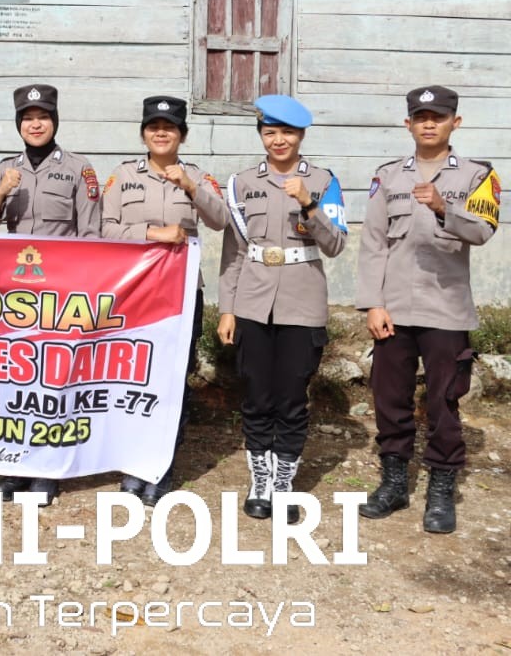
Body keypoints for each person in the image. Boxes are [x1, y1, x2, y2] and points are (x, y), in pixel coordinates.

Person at [355, 86, 500, 534]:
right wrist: (373, 303)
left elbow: (484, 230)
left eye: (438, 116)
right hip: (394, 310)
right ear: (409, 124)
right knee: (389, 399)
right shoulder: (388, 176)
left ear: (456, 122)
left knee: (444, 401)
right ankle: (394, 483)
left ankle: (441, 489)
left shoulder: (478, 176)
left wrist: (443, 208)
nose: (429, 124)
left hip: (446, 309)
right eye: (421, 117)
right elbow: (373, 243)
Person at [216, 95, 347, 524]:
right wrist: (227, 309)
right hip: (252, 302)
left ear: (301, 136)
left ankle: (283, 484)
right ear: (261, 135)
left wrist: (309, 203)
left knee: (291, 399)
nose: (278, 140)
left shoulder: (324, 181)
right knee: (257, 396)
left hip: (302, 303)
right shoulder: (241, 184)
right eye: (270, 132)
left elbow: (335, 245)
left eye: (287, 132)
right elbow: (235, 252)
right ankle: (260, 480)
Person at [0, 84, 103, 505]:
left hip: (60, 292)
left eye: (43, 117)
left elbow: (91, 234)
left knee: (55, 380)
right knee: (15, 380)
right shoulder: (4, 168)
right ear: (19, 124)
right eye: (27, 118)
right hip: (14, 294)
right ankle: (16, 465)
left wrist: (81, 289)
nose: (35, 124)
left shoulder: (79, 169)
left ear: (54, 121)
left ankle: (48, 468)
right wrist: (0, 194)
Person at [101, 95, 228, 505]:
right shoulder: (122, 175)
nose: (161, 133)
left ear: (182, 136)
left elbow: (221, 220)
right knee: (131, 376)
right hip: (132, 292)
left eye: (169, 127)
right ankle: (132, 464)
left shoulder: (198, 176)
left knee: (173, 379)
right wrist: (153, 234)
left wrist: (190, 187)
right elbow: (104, 229)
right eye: (153, 127)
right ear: (143, 134)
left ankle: (161, 466)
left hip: (181, 292)